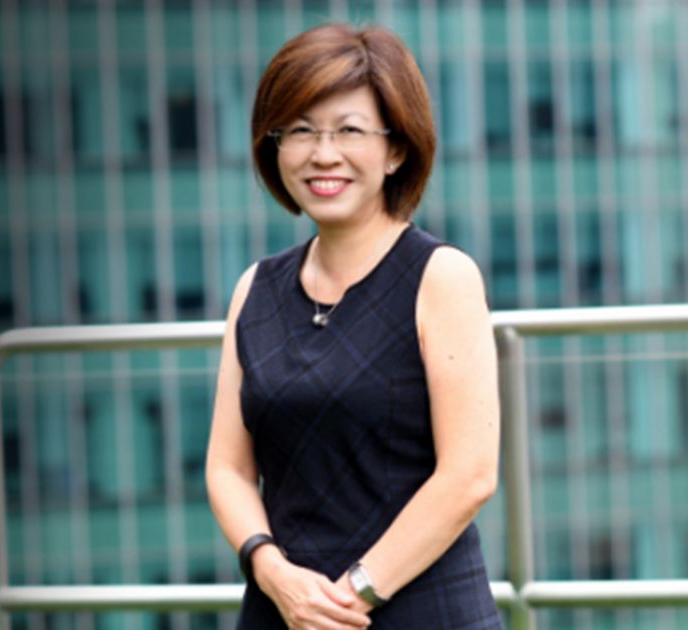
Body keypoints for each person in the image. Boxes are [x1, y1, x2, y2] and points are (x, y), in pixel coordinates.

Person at [205, 23, 502, 629]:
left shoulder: (441, 277)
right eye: (301, 131)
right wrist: (271, 572)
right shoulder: (255, 290)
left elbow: (469, 476)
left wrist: (350, 597)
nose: (323, 154)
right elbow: (227, 469)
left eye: (349, 130)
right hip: (283, 611)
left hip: (421, 611)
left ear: (396, 150)